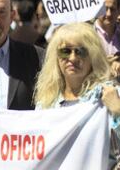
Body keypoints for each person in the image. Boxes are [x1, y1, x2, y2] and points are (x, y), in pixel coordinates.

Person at [34, 22, 119, 168]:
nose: (72, 58)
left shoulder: (111, 95)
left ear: (93, 55)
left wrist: (118, 111)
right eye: (65, 51)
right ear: (56, 57)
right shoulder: (45, 104)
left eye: (80, 51)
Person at [95, 0, 120, 76]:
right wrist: (102, 63)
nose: (108, 14)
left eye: (112, 9)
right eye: (105, 9)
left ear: (118, 11)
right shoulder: (87, 34)